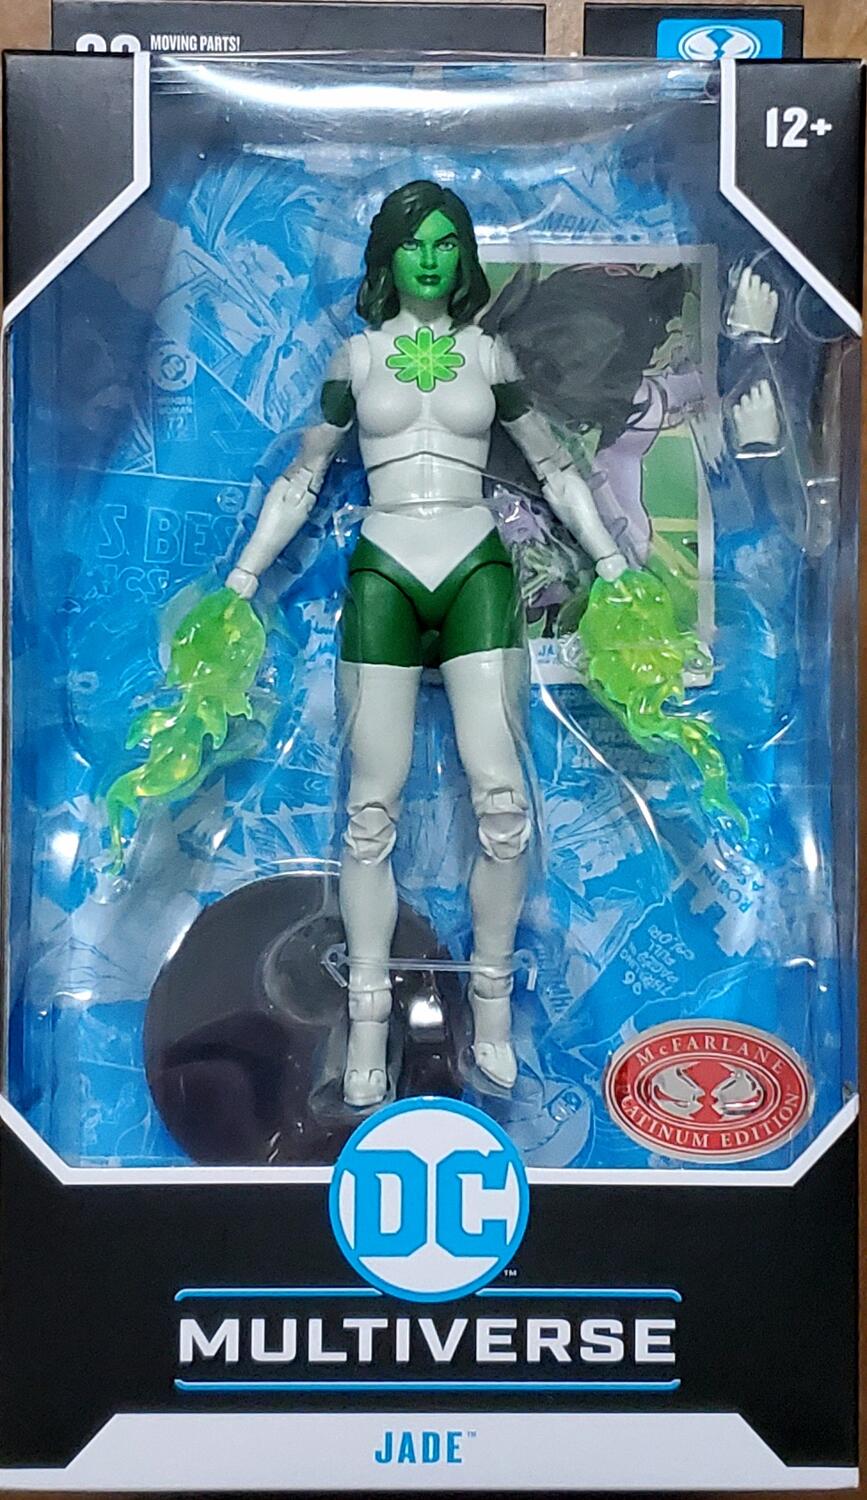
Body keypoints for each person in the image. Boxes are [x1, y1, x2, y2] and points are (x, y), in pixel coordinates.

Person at [226, 180, 627, 1107]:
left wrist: (610, 560)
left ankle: (491, 1007)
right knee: (371, 810)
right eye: (415, 242)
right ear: (388, 254)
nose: (432, 258)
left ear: (465, 253)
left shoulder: (489, 355)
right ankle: (366, 1018)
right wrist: (242, 578)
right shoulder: (357, 357)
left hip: (475, 566)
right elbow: (303, 475)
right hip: (385, 572)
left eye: (448, 242)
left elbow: (553, 463)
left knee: (503, 803)